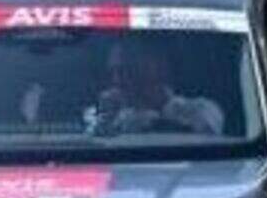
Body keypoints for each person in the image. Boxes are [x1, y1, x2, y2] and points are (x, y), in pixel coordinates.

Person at [89, 44, 227, 135]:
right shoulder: (114, 117)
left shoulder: (201, 109)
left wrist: (152, 124)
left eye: (126, 70)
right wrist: (106, 122)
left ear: (156, 68)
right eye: (113, 73)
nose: (117, 81)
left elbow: (206, 136)